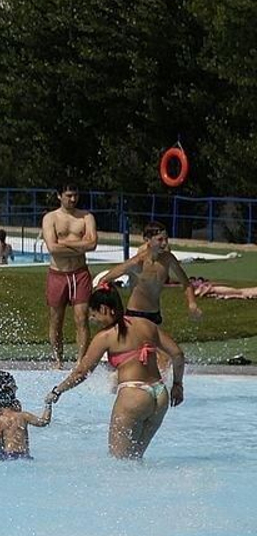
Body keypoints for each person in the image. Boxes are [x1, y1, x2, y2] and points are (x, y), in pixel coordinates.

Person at [46, 284, 185, 459]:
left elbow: (81, 372)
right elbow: (177, 354)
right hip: (160, 396)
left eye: (94, 314)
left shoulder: (106, 336)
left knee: (119, 461)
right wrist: (177, 384)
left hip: (133, 396)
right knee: (135, 459)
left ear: (105, 309)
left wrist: (58, 390)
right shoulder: (147, 325)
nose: (93, 320)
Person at [94, 221, 202, 326]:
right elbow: (104, 280)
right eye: (160, 240)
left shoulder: (168, 259)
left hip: (155, 314)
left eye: (166, 239)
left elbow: (186, 283)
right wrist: (102, 307)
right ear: (147, 239)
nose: (164, 243)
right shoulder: (137, 262)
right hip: (135, 315)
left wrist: (192, 303)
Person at [42, 184, 99, 364]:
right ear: (59, 196)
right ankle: (58, 360)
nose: (73, 199)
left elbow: (92, 244)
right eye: (68, 195)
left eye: (75, 195)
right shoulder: (50, 218)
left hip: (79, 273)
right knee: (56, 320)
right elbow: (53, 248)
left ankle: (81, 361)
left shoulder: (86, 217)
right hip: (58, 274)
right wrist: (80, 246)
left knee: (82, 318)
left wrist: (64, 244)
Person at [0, 376, 52, 460]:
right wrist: (48, 404)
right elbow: (44, 422)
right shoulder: (24, 416)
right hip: (25, 456)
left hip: (7, 457)